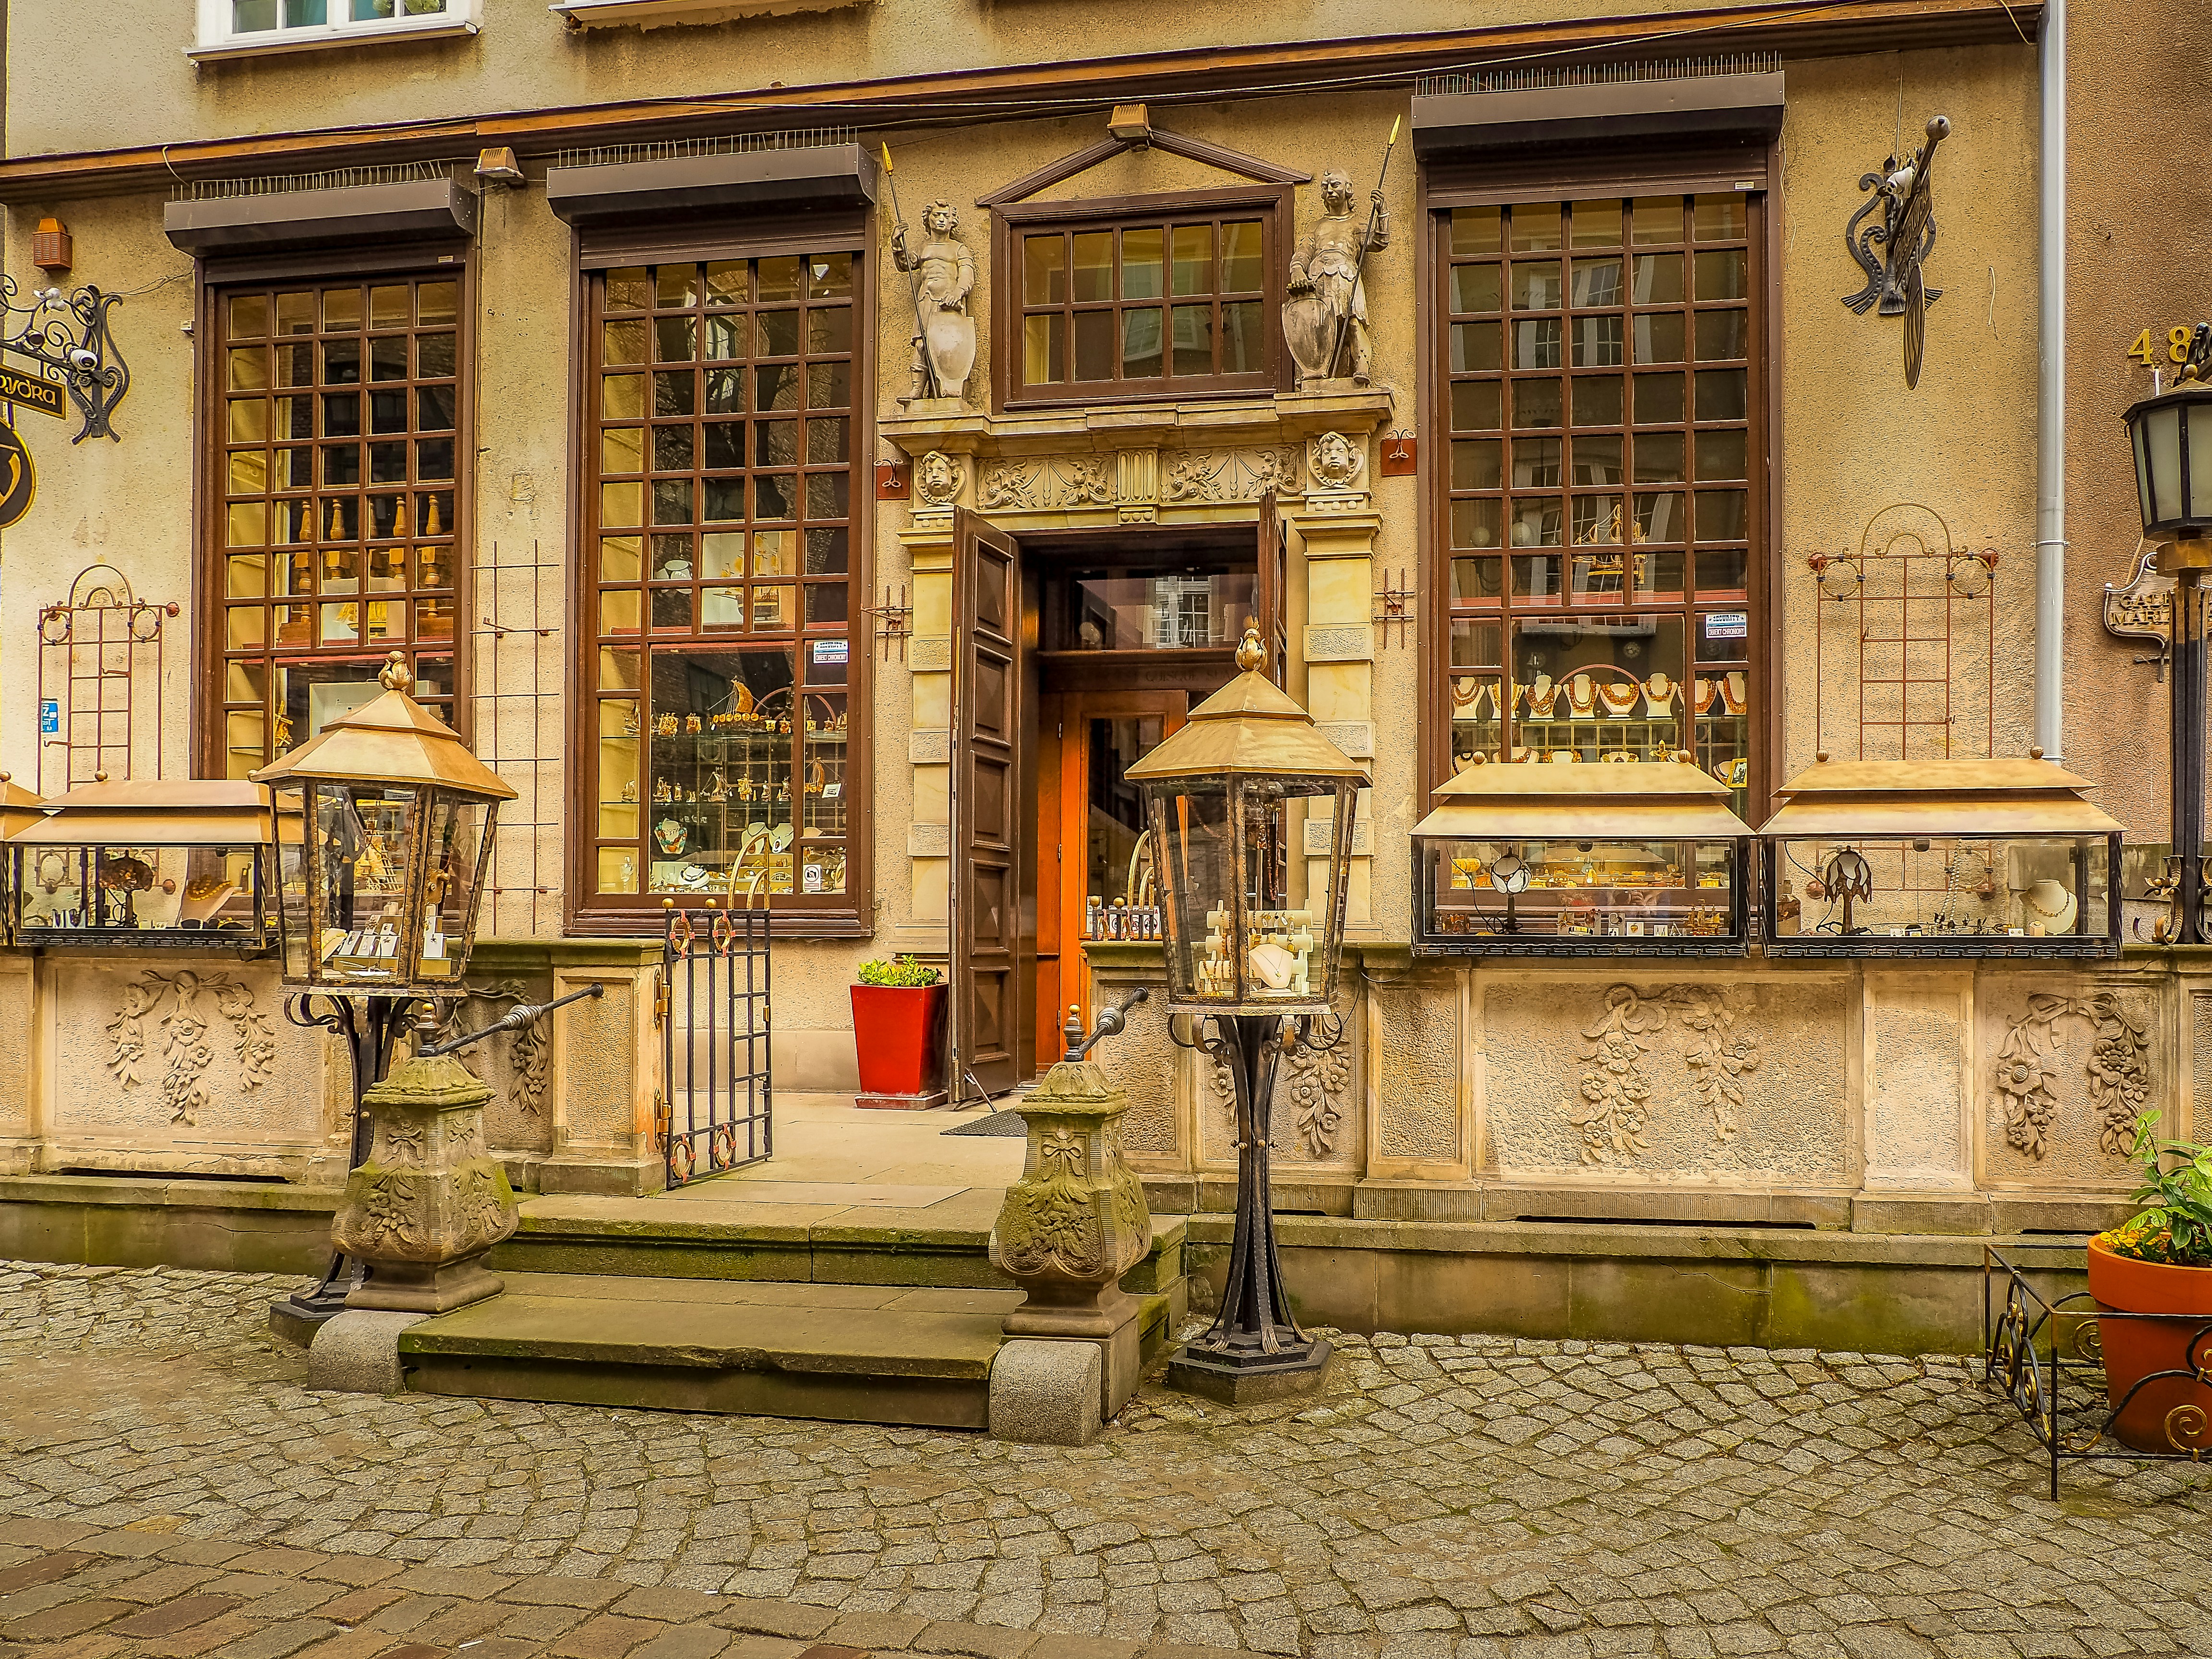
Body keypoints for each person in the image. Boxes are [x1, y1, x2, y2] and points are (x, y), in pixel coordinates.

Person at [1286, 171, 1389, 385]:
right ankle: (1317, 371)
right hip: (1318, 280)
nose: (1330, 190)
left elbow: (1378, 242)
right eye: (1325, 187)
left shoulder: (1357, 223)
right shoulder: (1316, 227)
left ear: (1348, 189)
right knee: (1320, 328)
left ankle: (1362, 363)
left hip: (1346, 276)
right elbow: (1304, 253)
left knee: (1353, 323)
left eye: (1335, 185)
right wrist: (1297, 270)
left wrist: (1382, 214)